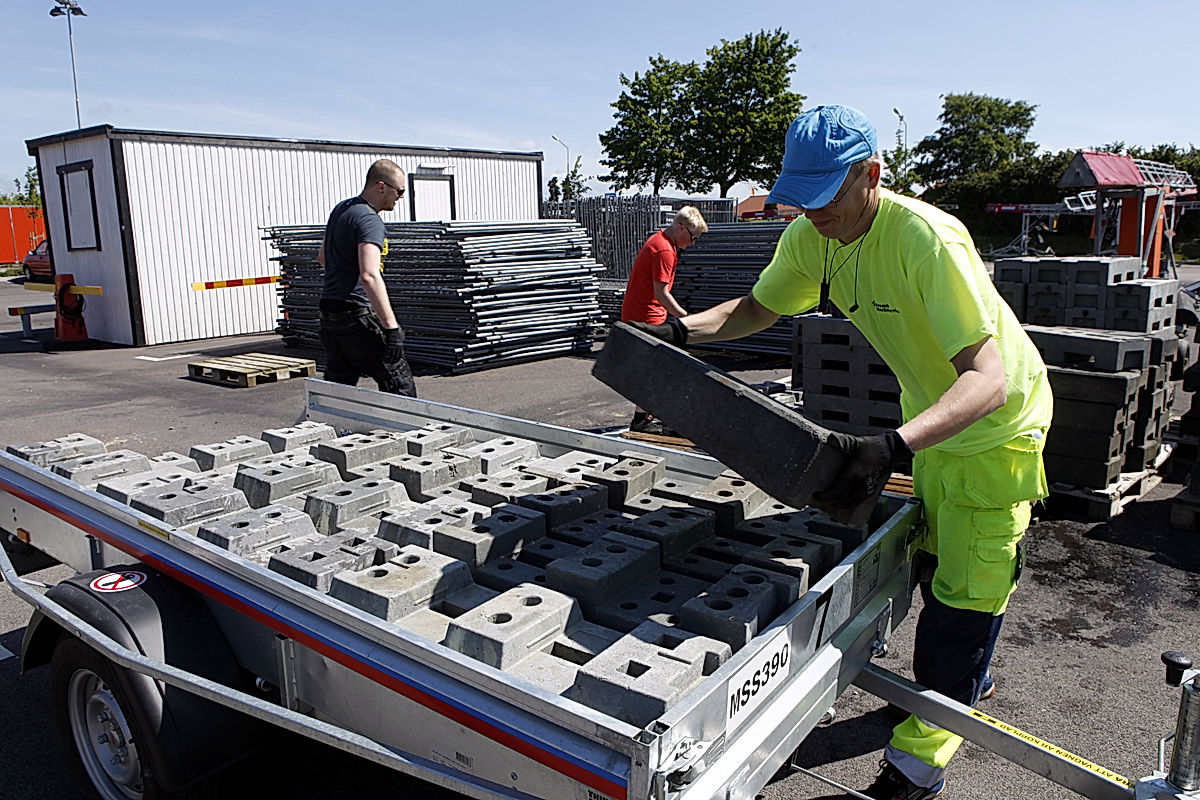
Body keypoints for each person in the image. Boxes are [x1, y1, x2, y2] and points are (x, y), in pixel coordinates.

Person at [627, 105, 1052, 799]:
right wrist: (681, 335)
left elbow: (989, 379)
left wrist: (889, 446)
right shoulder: (811, 235)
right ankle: (964, 681)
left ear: (872, 176)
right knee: (936, 562)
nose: (811, 210)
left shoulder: (926, 241)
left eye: (826, 195)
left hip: (995, 430)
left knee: (967, 599)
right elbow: (759, 309)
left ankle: (917, 765)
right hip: (934, 422)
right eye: (801, 193)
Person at [317, 159, 416, 397]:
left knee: (337, 392)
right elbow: (370, 275)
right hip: (356, 316)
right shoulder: (369, 220)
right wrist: (391, 328)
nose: (401, 197)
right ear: (381, 187)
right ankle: (404, 432)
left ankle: (315, 431)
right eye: (400, 191)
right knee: (399, 385)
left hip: (330, 317)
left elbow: (322, 257)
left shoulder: (342, 210)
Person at [621, 206, 708, 435]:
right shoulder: (664, 251)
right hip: (647, 316)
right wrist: (686, 318)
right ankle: (643, 419)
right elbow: (661, 293)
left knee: (654, 368)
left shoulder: (660, 241)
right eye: (692, 237)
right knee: (655, 369)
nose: (692, 243)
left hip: (645, 313)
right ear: (681, 227)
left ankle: (648, 415)